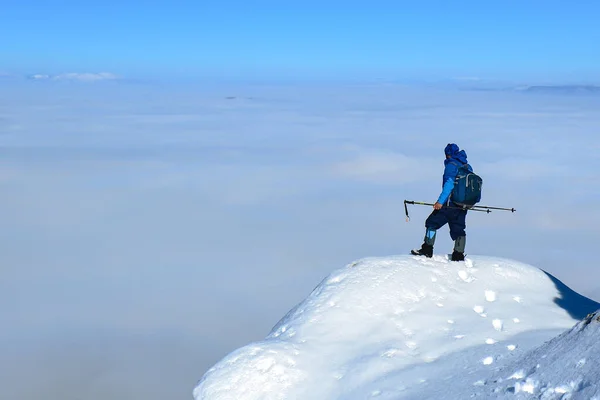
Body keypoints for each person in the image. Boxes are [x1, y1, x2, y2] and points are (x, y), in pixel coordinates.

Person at [411, 143, 472, 261]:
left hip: (449, 204)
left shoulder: (451, 165)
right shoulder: (467, 166)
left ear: (448, 154)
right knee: (459, 229)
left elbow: (449, 184)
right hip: (462, 205)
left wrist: (440, 202)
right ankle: (458, 255)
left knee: (431, 223)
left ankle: (427, 249)